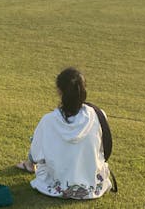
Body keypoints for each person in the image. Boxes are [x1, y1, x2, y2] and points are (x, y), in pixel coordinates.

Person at [16, 67, 112, 199]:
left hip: (57, 184)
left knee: (38, 141)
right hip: (92, 185)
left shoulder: (48, 120)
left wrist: (32, 161)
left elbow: (36, 152)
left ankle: (29, 165)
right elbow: (103, 149)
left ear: (59, 91)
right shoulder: (99, 115)